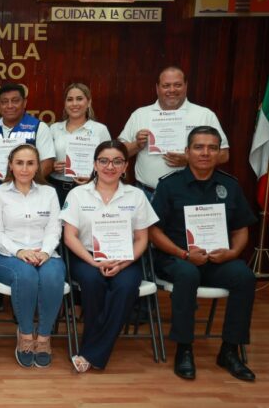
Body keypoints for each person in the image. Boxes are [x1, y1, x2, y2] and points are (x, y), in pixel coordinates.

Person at [149, 126, 256, 381]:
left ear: (219, 153)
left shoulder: (230, 185)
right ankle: (184, 348)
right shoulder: (169, 185)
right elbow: (153, 231)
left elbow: (241, 229)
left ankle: (230, 350)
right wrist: (183, 254)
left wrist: (233, 253)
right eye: (199, 147)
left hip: (218, 260)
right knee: (187, 274)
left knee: (245, 276)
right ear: (187, 152)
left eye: (212, 148)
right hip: (176, 258)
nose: (205, 153)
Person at [60, 140, 158, 373]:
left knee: (125, 287)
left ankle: (91, 352)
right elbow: (69, 237)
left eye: (117, 161)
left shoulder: (136, 196)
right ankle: (96, 350)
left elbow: (142, 239)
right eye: (103, 161)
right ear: (95, 164)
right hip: (86, 257)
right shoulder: (77, 194)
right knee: (93, 281)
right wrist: (94, 262)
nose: (110, 166)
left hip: (125, 257)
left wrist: (123, 263)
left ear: (125, 166)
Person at [0, 144, 64, 368]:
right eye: (19, 163)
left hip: (44, 253)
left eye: (30, 163)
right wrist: (20, 252)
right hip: (7, 255)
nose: (24, 168)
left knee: (52, 277)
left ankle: (44, 337)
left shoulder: (49, 193)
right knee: (27, 275)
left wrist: (46, 252)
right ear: (10, 165)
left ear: (37, 166)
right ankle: (26, 335)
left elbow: (54, 229)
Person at [118, 66, 229, 196]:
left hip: (190, 193)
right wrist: (137, 145)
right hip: (147, 194)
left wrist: (190, 160)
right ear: (157, 88)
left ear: (186, 86)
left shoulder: (204, 115)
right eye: (166, 85)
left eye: (177, 85)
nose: (172, 90)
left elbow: (224, 154)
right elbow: (118, 153)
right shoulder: (140, 115)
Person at [0, 83, 55, 197]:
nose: (10, 106)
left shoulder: (38, 127)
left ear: (24, 103)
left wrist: (23, 180)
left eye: (15, 101)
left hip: (25, 192)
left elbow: (47, 164)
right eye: (4, 102)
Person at [49, 83, 111, 205]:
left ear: (89, 102)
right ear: (65, 103)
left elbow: (109, 160)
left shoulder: (100, 129)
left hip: (89, 188)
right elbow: (45, 159)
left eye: (79, 99)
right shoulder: (54, 128)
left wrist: (93, 176)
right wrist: (53, 166)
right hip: (56, 188)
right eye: (70, 99)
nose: (74, 103)